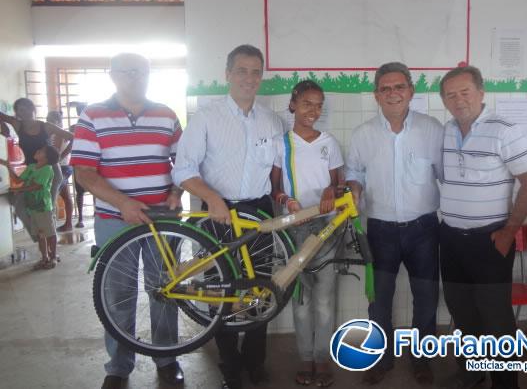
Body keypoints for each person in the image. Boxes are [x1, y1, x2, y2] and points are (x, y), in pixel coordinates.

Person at [172, 44, 283, 389]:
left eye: (255, 71)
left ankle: (255, 362)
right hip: (218, 214)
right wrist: (211, 198)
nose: (249, 78)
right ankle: (230, 366)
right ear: (227, 74)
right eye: (241, 71)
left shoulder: (272, 120)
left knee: (260, 288)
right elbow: (183, 169)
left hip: (260, 212)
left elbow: (278, 171)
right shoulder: (207, 117)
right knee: (221, 291)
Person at [70, 53, 184, 389]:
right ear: (113, 75)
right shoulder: (92, 116)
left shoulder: (166, 114)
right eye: (128, 71)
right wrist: (123, 203)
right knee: (117, 295)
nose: (137, 77)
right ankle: (118, 367)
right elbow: (84, 173)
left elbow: (185, 162)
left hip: (163, 220)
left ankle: (167, 358)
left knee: (165, 290)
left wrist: (177, 191)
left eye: (143, 71)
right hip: (114, 220)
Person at [438, 66, 527, 389]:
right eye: (450, 95)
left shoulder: (505, 131)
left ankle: (506, 383)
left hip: (490, 240)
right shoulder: (444, 131)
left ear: (481, 93)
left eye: (464, 92)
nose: (458, 100)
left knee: (496, 317)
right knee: (462, 310)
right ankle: (472, 370)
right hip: (451, 239)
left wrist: (509, 231)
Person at [345, 62, 443, 385]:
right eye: (385, 88)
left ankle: (422, 360)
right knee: (379, 300)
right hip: (381, 230)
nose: (393, 93)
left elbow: (446, 176)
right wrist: (355, 188)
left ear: (411, 91)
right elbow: (354, 174)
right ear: (376, 95)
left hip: (424, 229)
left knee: (426, 296)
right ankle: (382, 359)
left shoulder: (433, 130)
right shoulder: (362, 135)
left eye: (399, 86)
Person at [270, 80, 343, 388]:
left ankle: (323, 359)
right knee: (300, 298)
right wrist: (287, 201)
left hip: (327, 228)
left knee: (325, 299)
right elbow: (274, 189)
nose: (313, 110)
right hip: (295, 229)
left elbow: (338, 184)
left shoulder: (329, 142)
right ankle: (305, 358)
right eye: (307, 104)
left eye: (318, 105)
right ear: (293, 105)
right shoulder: (281, 142)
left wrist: (330, 189)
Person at [0, 98, 72, 238]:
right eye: (20, 109)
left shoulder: (46, 126)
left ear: (33, 109)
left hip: (50, 172)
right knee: (20, 206)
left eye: (26, 107)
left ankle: (51, 253)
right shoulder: (17, 124)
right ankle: (39, 238)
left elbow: (73, 137)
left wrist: (60, 156)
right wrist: (3, 126)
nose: (24, 111)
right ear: (18, 113)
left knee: (46, 210)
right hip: (33, 172)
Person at [1, 144, 60, 269]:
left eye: (41, 150)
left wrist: (19, 189)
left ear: (47, 157)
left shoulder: (47, 169)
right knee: (40, 234)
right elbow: (17, 180)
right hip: (32, 207)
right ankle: (44, 258)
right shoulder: (31, 167)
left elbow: (37, 186)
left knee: (49, 233)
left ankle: (53, 257)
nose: (38, 150)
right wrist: (8, 166)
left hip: (43, 207)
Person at [46, 110, 74, 232]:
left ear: (58, 122)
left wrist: (61, 156)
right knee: (66, 196)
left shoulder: (59, 133)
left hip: (62, 168)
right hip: (61, 167)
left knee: (53, 194)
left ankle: (50, 223)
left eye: (51, 120)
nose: (48, 122)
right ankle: (68, 224)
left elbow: (56, 151)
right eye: (48, 119)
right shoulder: (53, 133)